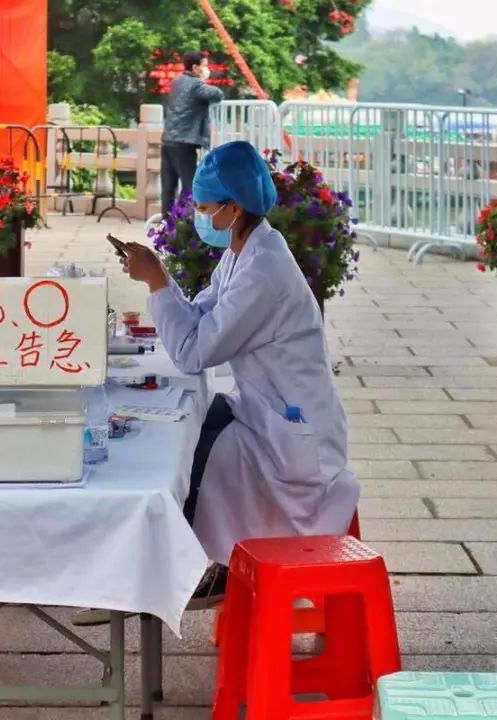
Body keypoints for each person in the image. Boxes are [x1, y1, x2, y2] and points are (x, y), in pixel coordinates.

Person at [125, 141, 359, 606]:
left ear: (233, 208)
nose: (200, 216)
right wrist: (162, 280)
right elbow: (202, 315)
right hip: (270, 415)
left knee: (187, 449)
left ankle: (187, 571)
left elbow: (195, 352)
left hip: (294, 442)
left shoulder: (264, 269)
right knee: (191, 424)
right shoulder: (245, 252)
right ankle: (183, 564)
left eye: (205, 208)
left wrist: (157, 283)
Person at [160, 51, 223, 215]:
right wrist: (202, 80)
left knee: (168, 186)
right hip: (184, 142)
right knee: (190, 186)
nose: (207, 69)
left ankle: (166, 221)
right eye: (204, 66)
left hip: (168, 140)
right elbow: (217, 95)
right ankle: (181, 219)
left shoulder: (177, 81)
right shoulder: (196, 85)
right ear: (195, 68)